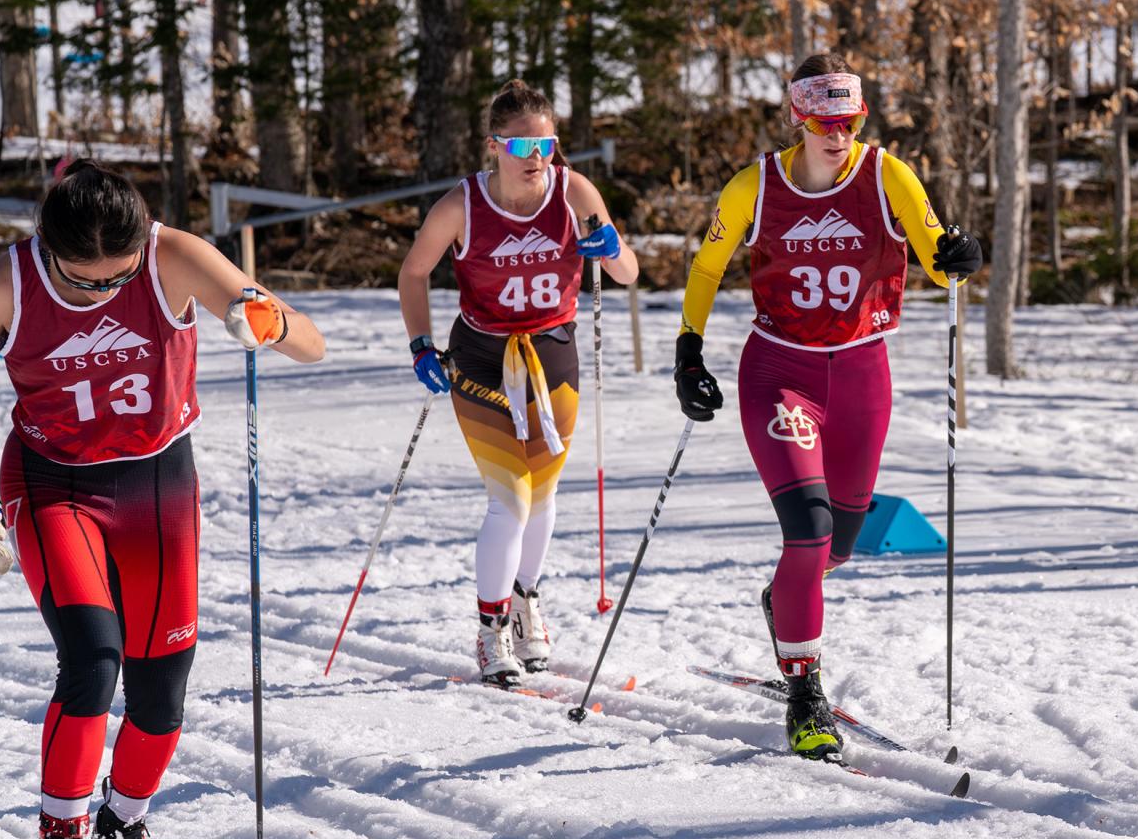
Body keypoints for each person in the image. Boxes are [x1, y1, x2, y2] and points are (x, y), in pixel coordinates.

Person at [0, 160, 326, 839]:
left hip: (158, 483)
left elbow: (312, 345)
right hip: (53, 481)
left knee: (162, 692)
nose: (99, 293)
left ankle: (121, 826)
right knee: (93, 660)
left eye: (115, 280)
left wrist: (270, 320)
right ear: (46, 246)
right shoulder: (9, 283)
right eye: (82, 281)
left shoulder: (176, 257)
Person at [673, 53, 982, 760]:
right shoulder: (756, 185)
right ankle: (807, 693)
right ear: (797, 117)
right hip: (781, 373)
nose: (837, 134)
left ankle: (786, 603)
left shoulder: (887, 175)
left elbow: (936, 256)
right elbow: (706, 266)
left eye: (848, 120)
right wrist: (689, 351)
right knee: (808, 532)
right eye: (823, 120)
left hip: (863, 378)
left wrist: (959, 254)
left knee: (837, 546)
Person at [399, 79, 639, 687]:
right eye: (520, 146)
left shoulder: (573, 190)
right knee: (510, 496)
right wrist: (422, 344)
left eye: (547, 145)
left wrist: (610, 247)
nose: (536, 158)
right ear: (493, 147)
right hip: (480, 359)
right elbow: (414, 271)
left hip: (553, 355)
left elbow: (629, 273)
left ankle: (528, 600)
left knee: (545, 495)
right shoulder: (463, 205)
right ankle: (490, 628)